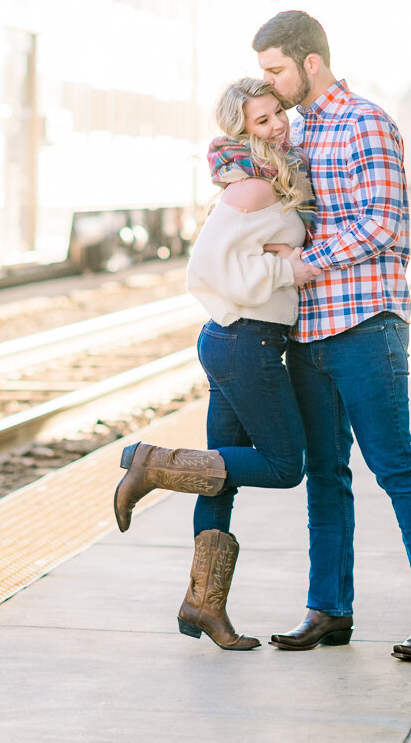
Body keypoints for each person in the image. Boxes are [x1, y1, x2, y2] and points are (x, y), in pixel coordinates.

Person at [252, 10, 411, 661]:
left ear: (309, 63)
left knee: (395, 469)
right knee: (324, 475)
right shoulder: (301, 133)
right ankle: (328, 610)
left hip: (366, 325)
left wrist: (304, 263)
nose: (269, 81)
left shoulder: (365, 122)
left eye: (275, 70)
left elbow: (384, 226)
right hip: (309, 329)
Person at [112, 77, 318, 651]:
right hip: (244, 342)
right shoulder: (251, 189)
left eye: (278, 113)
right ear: (240, 130)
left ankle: (205, 607)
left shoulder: (271, 177)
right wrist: (288, 268)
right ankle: (148, 464)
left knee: (218, 478)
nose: (276, 124)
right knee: (283, 464)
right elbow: (203, 270)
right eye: (261, 121)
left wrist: (284, 250)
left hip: (239, 340)